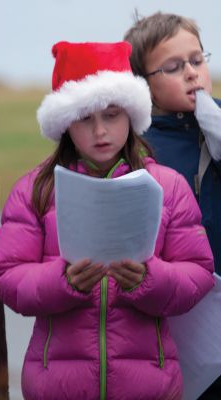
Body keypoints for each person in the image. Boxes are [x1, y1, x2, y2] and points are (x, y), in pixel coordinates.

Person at [0, 41, 214, 400]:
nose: (100, 132)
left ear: (130, 115)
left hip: (149, 387)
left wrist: (151, 278)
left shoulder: (168, 187)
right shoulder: (36, 190)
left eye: (111, 114)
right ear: (64, 124)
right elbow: (5, 275)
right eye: (84, 118)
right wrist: (61, 281)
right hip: (56, 387)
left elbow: (199, 271)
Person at [124, 11, 221, 399]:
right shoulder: (138, 147)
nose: (192, 73)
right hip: (180, 318)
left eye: (197, 60)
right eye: (173, 67)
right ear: (142, 85)